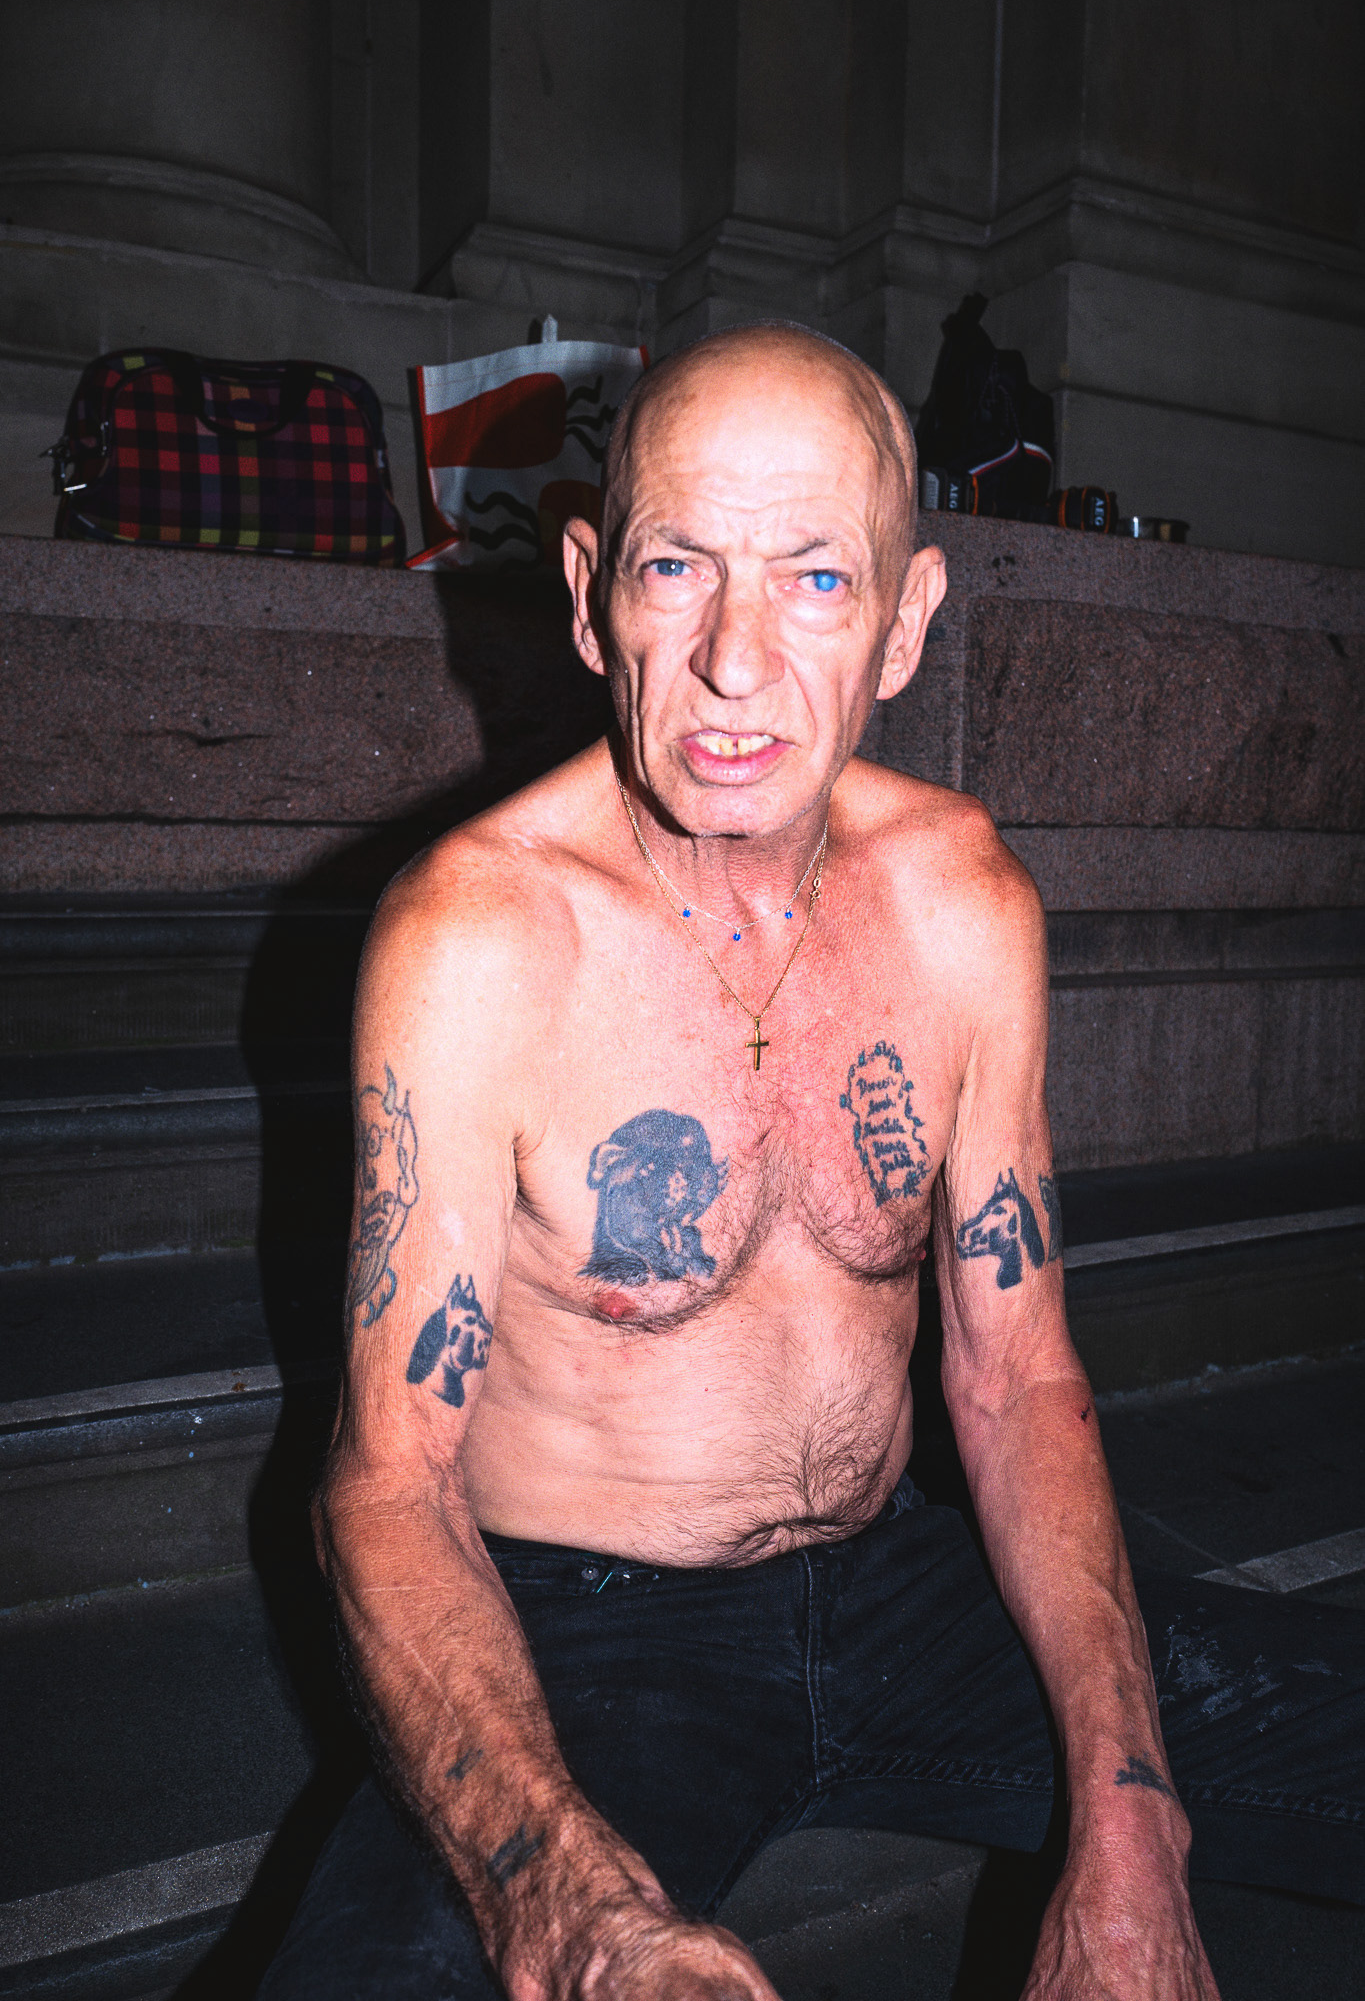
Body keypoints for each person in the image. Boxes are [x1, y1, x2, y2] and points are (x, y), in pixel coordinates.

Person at [261, 324, 1363, 2001]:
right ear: (585, 595)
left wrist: (1132, 1833)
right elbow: (386, 1482)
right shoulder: (479, 939)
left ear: (908, 623)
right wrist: (564, 1902)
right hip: (584, 1637)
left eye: (815, 581)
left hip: (904, 1582)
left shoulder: (961, 901)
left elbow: (1011, 1374)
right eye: (676, 566)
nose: (730, 661)